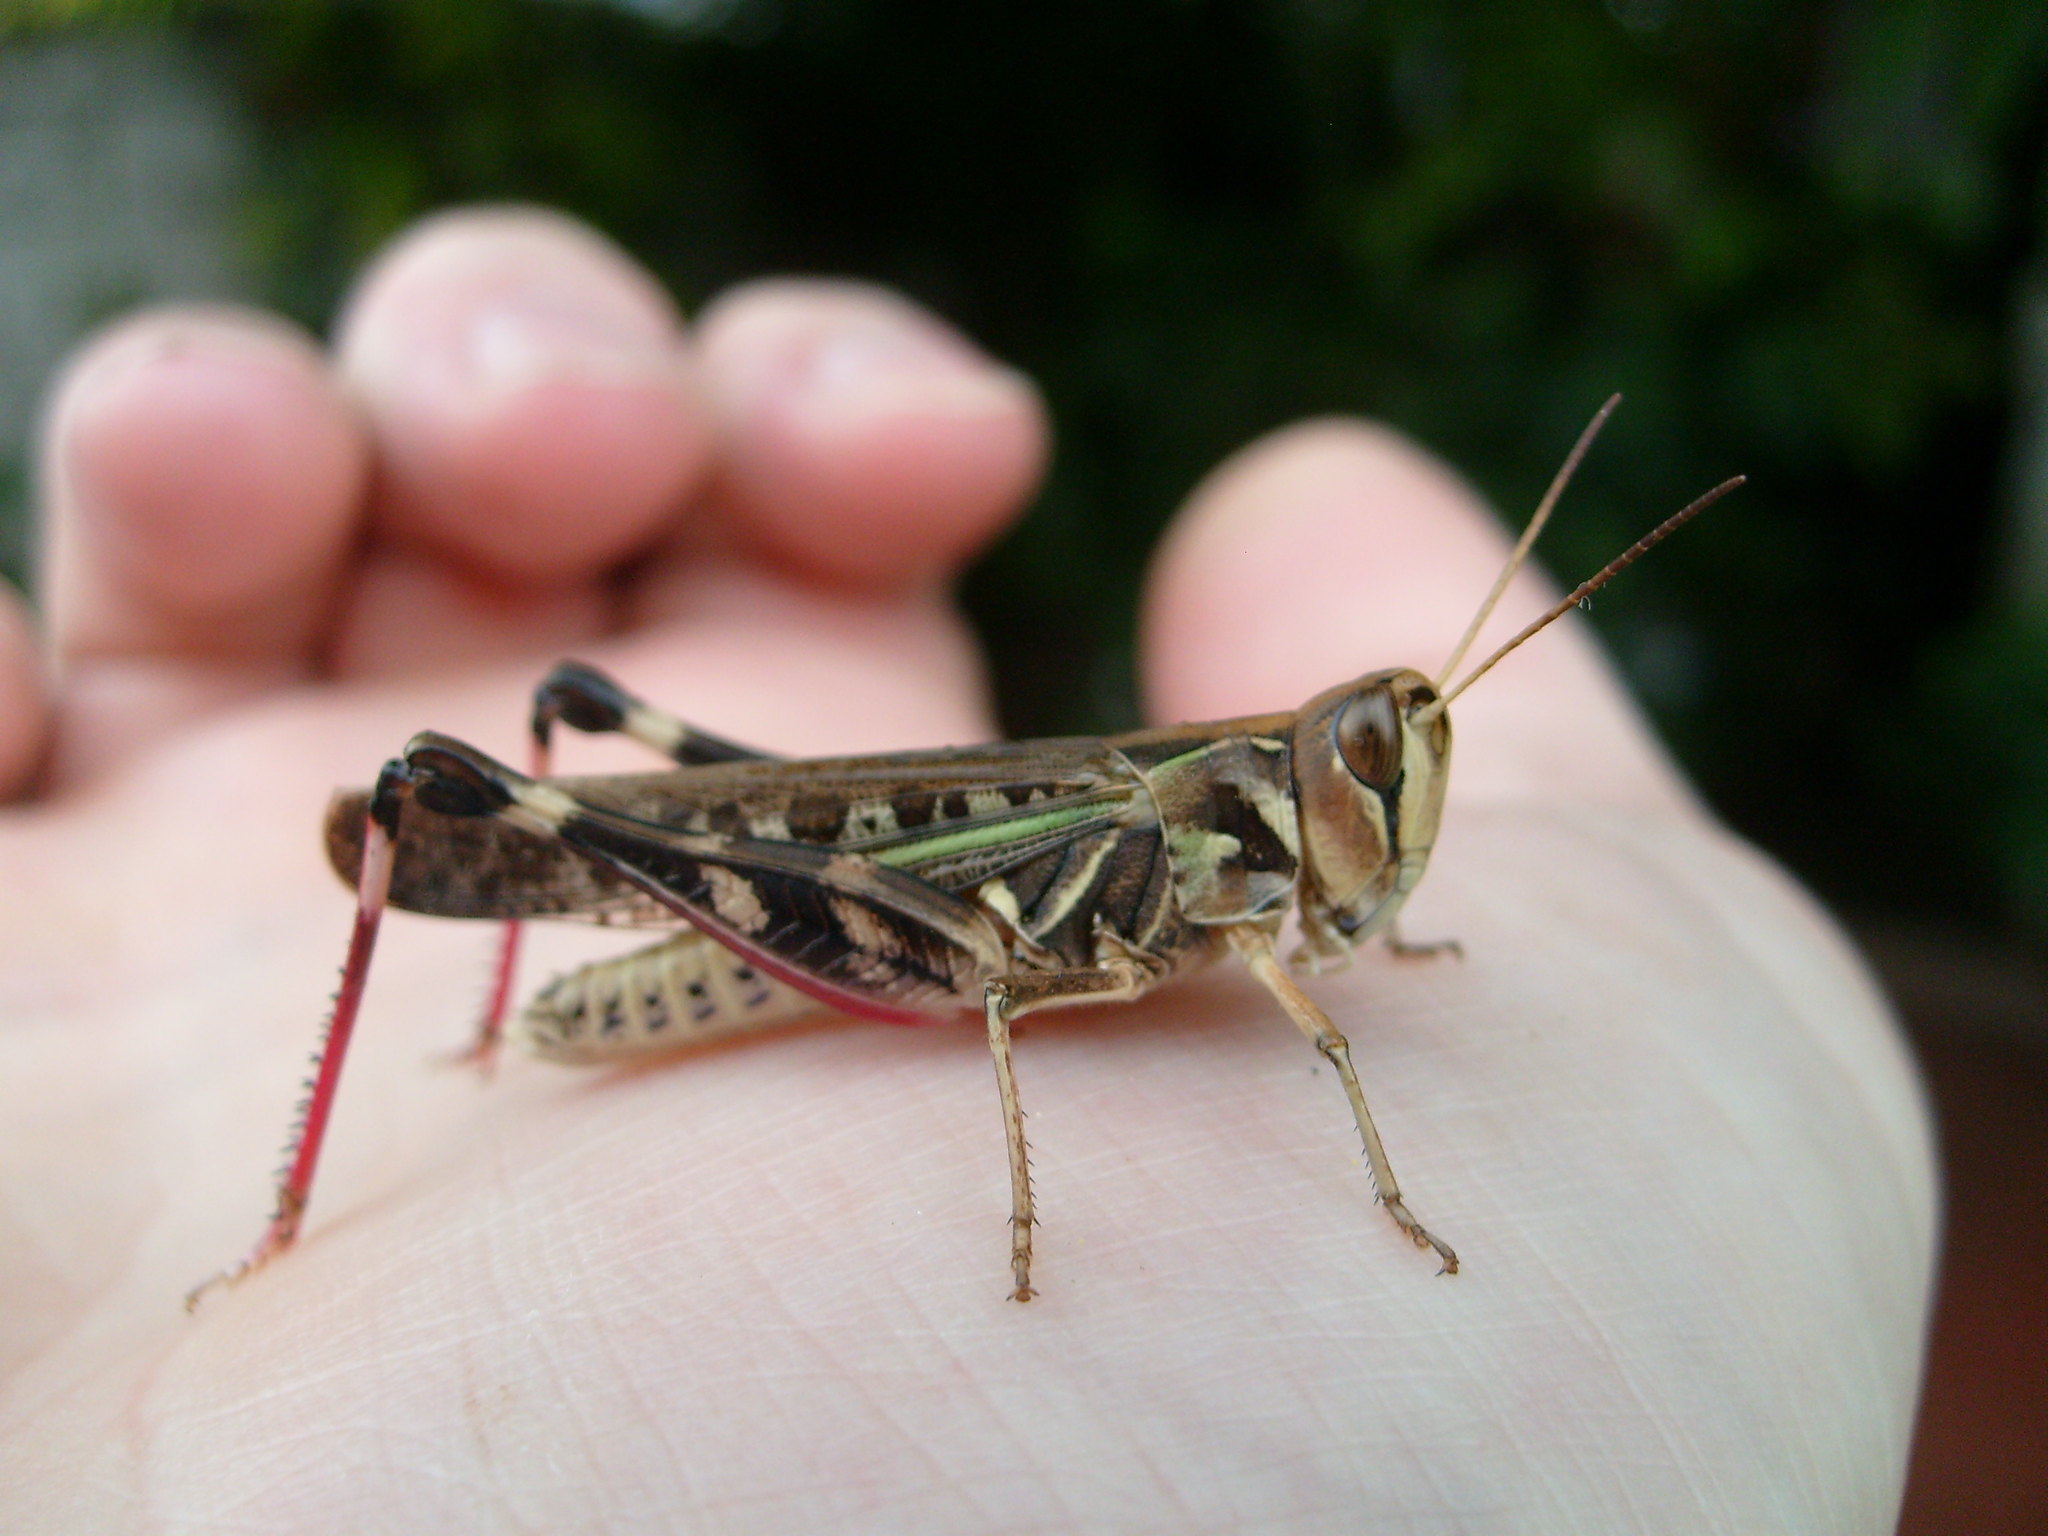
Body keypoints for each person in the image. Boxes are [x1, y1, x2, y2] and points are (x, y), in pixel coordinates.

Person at [0, 207, 1933, 1532]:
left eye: (1394, 778)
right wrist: (1033, 1208)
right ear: (1296, 775)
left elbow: (1316, 965)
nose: (1388, 806)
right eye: (1371, 765)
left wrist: (1374, 945)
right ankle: (291, 1205)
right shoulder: (1181, 855)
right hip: (861, 926)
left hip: (884, 940)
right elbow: (1009, 983)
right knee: (501, 764)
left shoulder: (1268, 886)